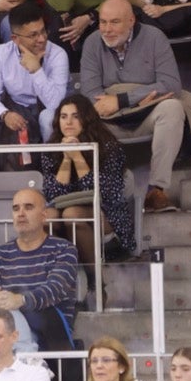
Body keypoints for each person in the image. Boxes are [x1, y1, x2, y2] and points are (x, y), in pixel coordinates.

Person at [81, 0, 187, 214]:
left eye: (114, 22)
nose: (107, 29)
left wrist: (124, 99)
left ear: (131, 21)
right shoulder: (92, 42)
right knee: (78, 120)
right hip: (109, 120)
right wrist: (140, 96)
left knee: (172, 108)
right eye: (103, 22)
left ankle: (156, 191)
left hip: (146, 113)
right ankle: (102, 197)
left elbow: (171, 84)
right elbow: (91, 94)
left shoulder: (154, 37)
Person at [0, 188, 81, 359]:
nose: (21, 214)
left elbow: (54, 290)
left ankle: (23, 363)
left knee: (18, 313)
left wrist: (19, 300)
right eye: (16, 208)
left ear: (44, 215)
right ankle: (28, 362)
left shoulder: (64, 249)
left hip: (51, 332)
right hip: (6, 330)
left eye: (28, 207)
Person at [0, 5, 69, 176]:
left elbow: (55, 103)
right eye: (33, 35)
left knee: (49, 117)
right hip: (12, 110)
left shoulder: (58, 54)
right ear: (15, 38)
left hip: (43, 111)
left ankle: (54, 181)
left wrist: (37, 71)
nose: (42, 38)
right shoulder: (1, 53)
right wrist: (4, 114)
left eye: (43, 31)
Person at [42, 95, 136, 264]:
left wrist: (77, 156)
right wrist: (66, 158)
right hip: (66, 216)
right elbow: (52, 196)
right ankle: (63, 275)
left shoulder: (109, 147)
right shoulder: (51, 150)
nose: (68, 122)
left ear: (86, 119)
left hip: (108, 216)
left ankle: (96, 283)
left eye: (75, 116)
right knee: (46, 217)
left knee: (72, 214)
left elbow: (104, 195)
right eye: (64, 117)